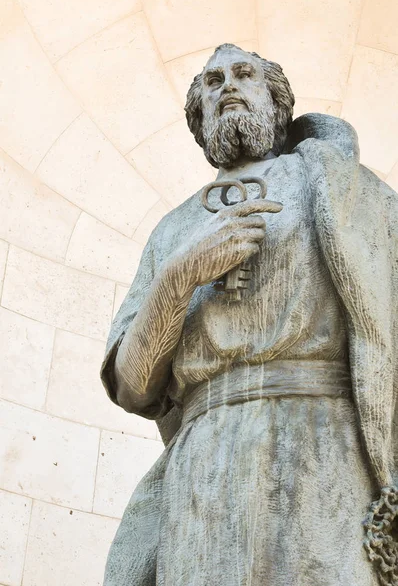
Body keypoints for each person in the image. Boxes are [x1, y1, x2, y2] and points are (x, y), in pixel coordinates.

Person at [101, 43, 398, 586]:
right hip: (204, 475)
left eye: (244, 75)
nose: (228, 86)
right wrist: (180, 276)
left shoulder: (347, 191)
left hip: (325, 455)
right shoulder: (174, 228)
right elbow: (132, 385)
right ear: (200, 118)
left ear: (277, 103)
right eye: (212, 82)